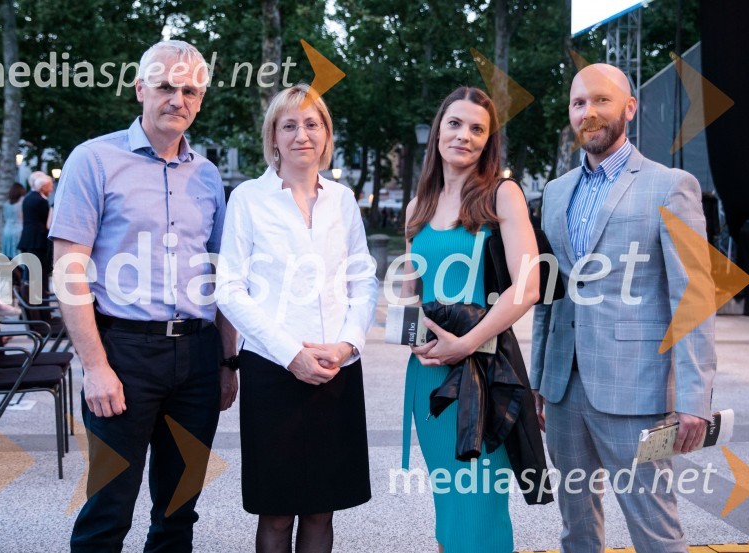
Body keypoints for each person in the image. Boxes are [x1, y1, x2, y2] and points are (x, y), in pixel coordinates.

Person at [49, 40, 238, 553]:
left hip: (197, 360)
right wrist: (95, 367)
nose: (178, 99)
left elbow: (219, 276)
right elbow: (69, 272)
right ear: (140, 89)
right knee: (108, 509)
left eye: (190, 90)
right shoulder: (93, 161)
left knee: (179, 510)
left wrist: (227, 362)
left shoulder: (209, 175)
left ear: (200, 100)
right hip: (124, 356)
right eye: (166, 86)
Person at [530, 63, 716, 553]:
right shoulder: (554, 193)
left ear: (629, 108)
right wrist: (538, 381)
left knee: (655, 532)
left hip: (637, 393)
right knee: (576, 529)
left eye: (601, 100)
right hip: (563, 393)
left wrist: (693, 398)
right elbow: (552, 293)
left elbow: (693, 297)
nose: (588, 112)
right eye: (578, 104)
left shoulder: (670, 185)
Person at [215, 83, 377, 553]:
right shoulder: (248, 198)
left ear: (326, 134)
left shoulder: (343, 200)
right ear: (273, 136)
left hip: (336, 370)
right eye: (290, 125)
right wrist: (290, 355)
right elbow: (229, 288)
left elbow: (363, 280)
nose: (302, 134)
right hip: (273, 370)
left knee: (323, 509)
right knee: (276, 510)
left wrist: (347, 345)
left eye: (312, 123)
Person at [400, 86, 540, 552]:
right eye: (455, 123)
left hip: (482, 377)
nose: (464, 135)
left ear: (488, 141)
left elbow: (528, 285)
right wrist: (414, 337)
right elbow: (408, 298)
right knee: (450, 510)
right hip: (429, 379)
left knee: (481, 512)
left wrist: (466, 344)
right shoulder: (416, 208)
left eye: (477, 128)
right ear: (438, 129)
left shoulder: (502, 195)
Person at [17, 171, 53, 294]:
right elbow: (46, 221)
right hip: (37, 240)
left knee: (28, 270)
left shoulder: (27, 198)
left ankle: (26, 295)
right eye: (50, 186)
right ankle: (40, 296)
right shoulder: (41, 201)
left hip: (27, 238)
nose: (51, 189)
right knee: (38, 271)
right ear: (43, 187)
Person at [1, 182, 25, 259]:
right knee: (18, 254)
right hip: (19, 229)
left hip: (7, 230)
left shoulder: (6, 204)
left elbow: (4, 218)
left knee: (8, 253)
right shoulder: (22, 203)